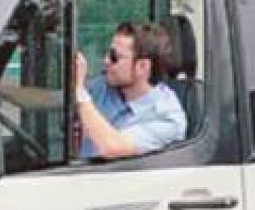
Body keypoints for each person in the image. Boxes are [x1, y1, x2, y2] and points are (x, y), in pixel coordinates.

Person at [74, 22, 186, 159]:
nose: (106, 61)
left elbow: (112, 147)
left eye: (114, 57)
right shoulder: (105, 85)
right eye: (108, 53)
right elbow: (58, 100)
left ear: (143, 67)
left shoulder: (167, 119)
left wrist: (80, 93)